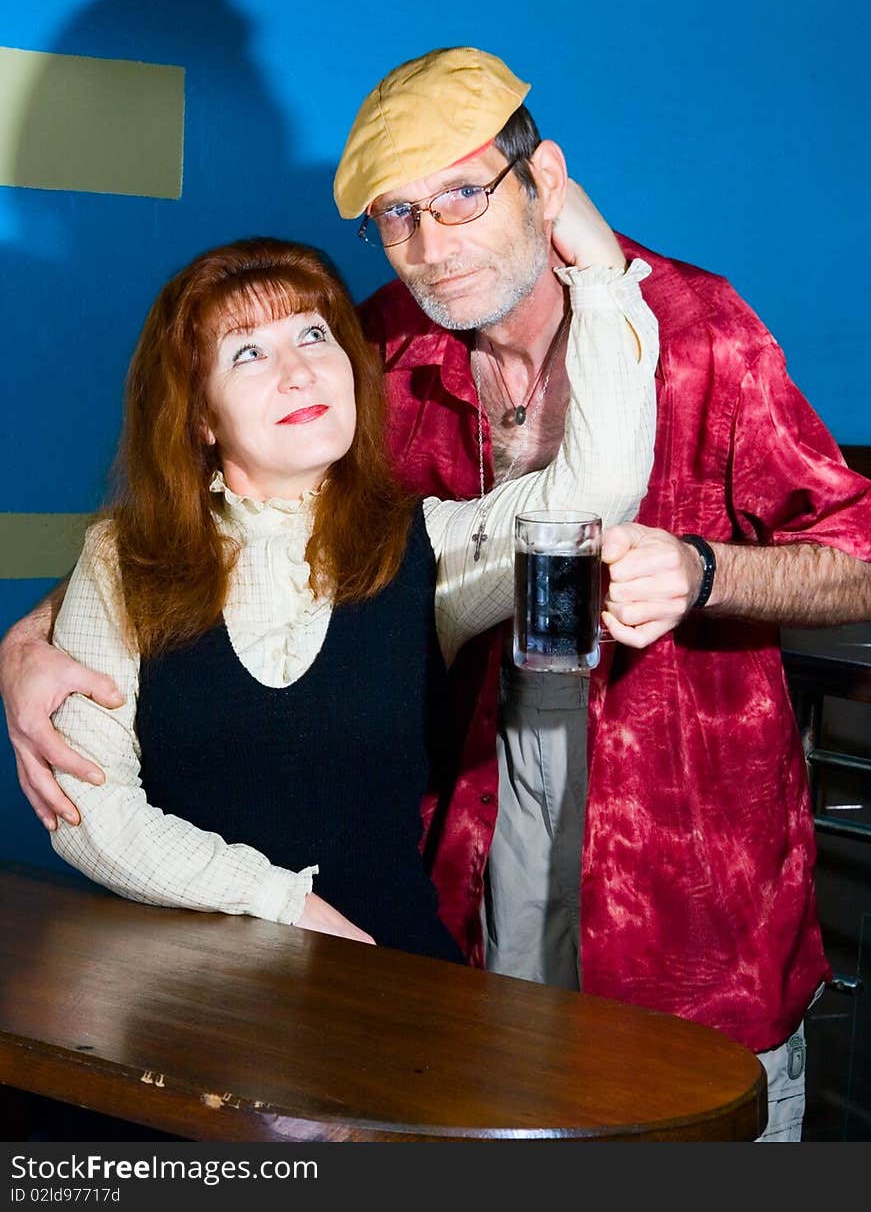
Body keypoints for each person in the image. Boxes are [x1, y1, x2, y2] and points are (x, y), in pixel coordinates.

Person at [4, 45, 871, 1139]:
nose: (433, 242)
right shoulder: (373, 345)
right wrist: (38, 631)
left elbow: (860, 552)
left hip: (683, 900)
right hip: (450, 907)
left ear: (545, 181)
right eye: (397, 212)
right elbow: (213, 528)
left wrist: (707, 571)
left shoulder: (700, 332)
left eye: (463, 193)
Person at [10, 232, 657, 962]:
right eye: (248, 352)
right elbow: (88, 815)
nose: (298, 373)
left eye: (314, 336)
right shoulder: (121, 560)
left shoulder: (431, 543)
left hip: (389, 987)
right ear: (199, 417)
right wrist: (286, 904)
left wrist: (598, 269)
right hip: (184, 999)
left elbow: (596, 490)